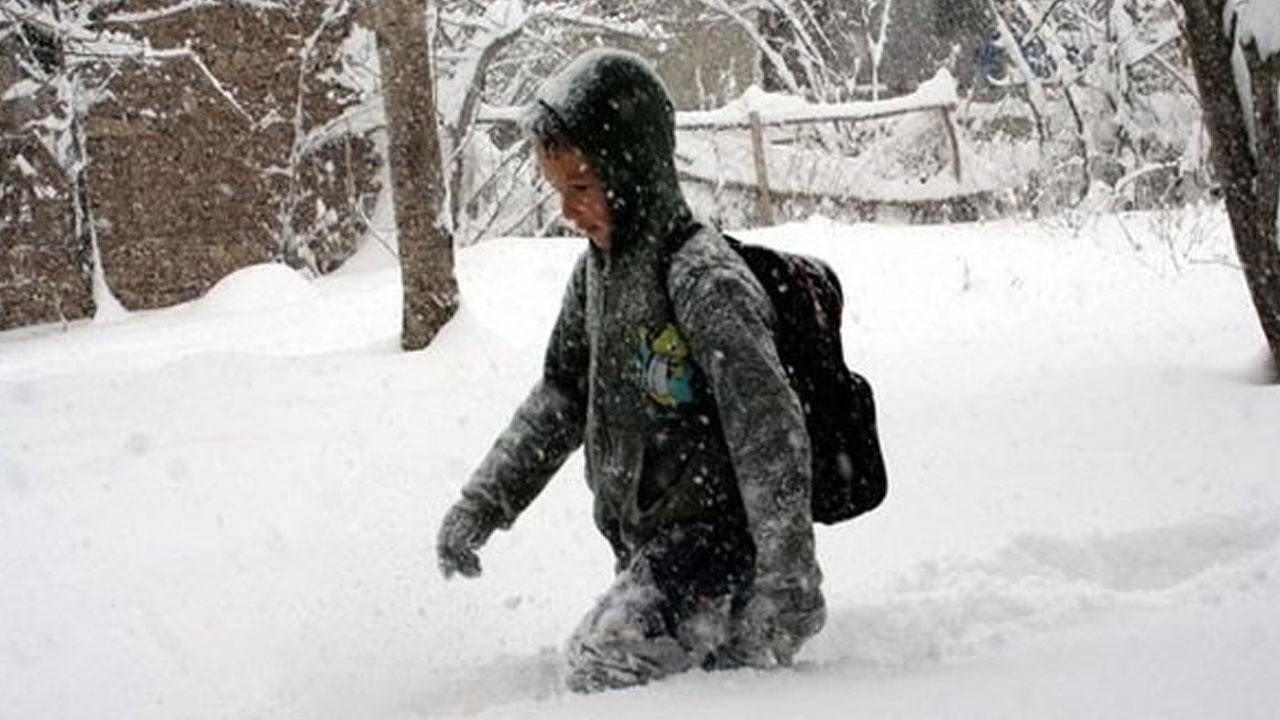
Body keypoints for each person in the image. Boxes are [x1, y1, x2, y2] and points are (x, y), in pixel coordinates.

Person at [436, 48, 824, 693]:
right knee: (642, 670)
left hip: (722, 549)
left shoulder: (701, 278)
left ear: (631, 170)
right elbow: (560, 397)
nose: (567, 210)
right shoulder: (596, 275)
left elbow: (769, 435)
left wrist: (789, 578)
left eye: (581, 187)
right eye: (559, 191)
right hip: (654, 549)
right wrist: (483, 503)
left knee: (605, 665)